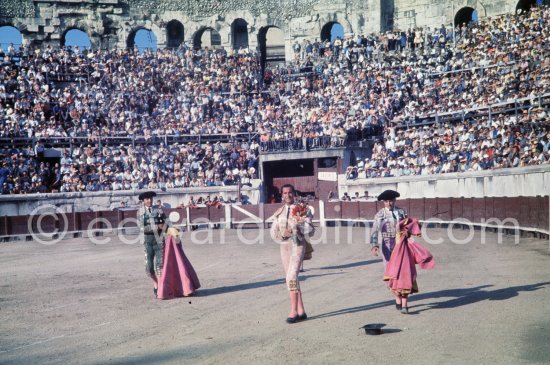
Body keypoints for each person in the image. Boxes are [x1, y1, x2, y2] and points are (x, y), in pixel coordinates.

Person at [270, 184, 308, 323]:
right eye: (285, 193)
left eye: (290, 192)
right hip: (284, 246)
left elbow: (311, 230)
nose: (287, 195)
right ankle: (301, 310)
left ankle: (293, 311)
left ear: (294, 193)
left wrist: (296, 228)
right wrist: (281, 234)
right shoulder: (279, 212)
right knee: (291, 278)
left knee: (291, 276)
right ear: (282, 194)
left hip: (297, 244)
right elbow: (273, 233)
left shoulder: (302, 209)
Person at [383, 218, 435, 313]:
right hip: (396, 264)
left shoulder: (408, 239)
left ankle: (404, 306)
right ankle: (399, 302)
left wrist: (409, 225)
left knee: (402, 285)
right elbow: (398, 226)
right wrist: (409, 222)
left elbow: (401, 227)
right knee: (396, 285)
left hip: (403, 266)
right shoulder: (401, 236)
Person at [370, 189, 408, 310]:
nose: (389, 203)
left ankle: (404, 301)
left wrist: (409, 231)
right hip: (387, 246)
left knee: (404, 273)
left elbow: (408, 226)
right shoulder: (379, 215)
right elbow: (374, 230)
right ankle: (397, 297)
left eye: (391, 200)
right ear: (383, 202)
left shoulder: (402, 212)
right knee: (391, 274)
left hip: (401, 245)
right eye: (386, 201)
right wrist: (374, 245)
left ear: (395, 200)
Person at [138, 191, 168, 298]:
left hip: (159, 240)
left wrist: (167, 227)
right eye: (147, 199)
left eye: (150, 198)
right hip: (148, 242)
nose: (149, 200)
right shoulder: (140, 212)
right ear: (143, 201)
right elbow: (141, 228)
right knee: (149, 268)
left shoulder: (159, 210)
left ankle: (160, 286)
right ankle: (156, 283)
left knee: (160, 266)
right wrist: (156, 227)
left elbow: (167, 223)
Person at [157, 227, 201, 299]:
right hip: (171, 238)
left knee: (176, 265)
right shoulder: (170, 229)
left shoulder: (168, 229)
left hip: (170, 239)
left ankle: (185, 289)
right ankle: (186, 289)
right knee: (180, 264)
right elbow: (177, 240)